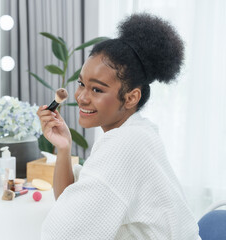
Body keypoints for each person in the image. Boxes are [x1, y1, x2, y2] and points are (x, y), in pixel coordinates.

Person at [37, 13, 200, 239]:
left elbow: (61, 233)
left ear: (131, 98)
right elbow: (70, 206)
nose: (82, 97)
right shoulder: (137, 131)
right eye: (81, 83)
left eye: (97, 89)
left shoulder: (125, 144)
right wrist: (64, 147)